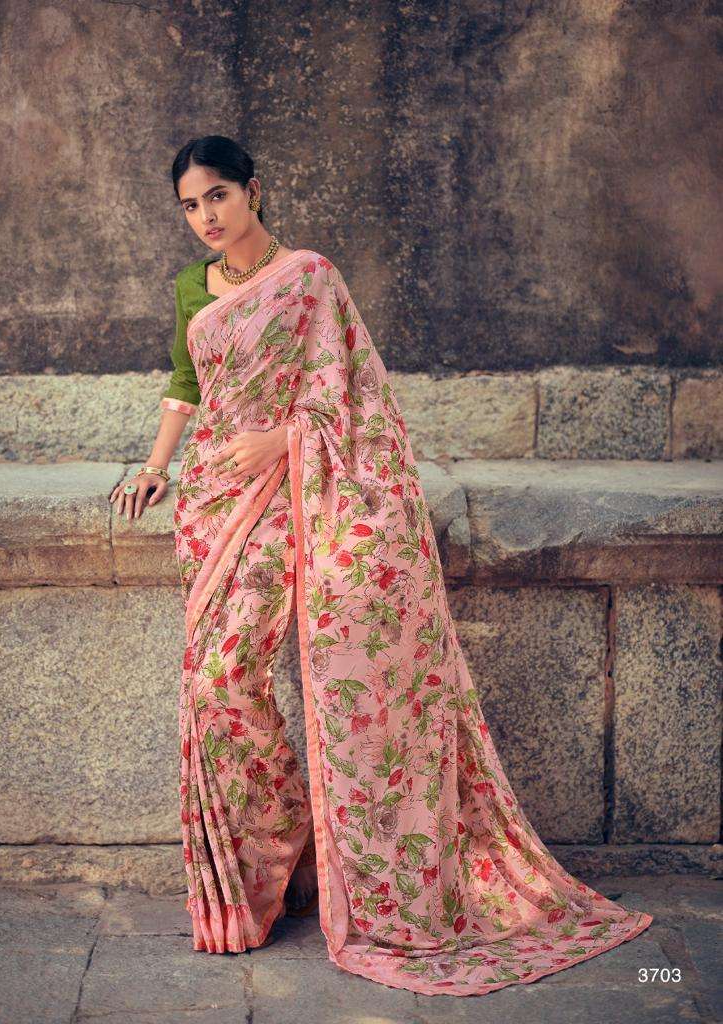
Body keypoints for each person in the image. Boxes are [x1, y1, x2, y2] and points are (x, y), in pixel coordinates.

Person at [108, 135, 653, 996]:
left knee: (286, 669)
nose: (205, 216)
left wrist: (286, 440)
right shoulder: (189, 287)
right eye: (189, 205)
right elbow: (186, 382)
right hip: (215, 500)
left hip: (299, 492)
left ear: (254, 191)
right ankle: (281, 845)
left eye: (217, 196)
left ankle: (339, 856)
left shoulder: (309, 278)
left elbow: (354, 397)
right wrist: (153, 466)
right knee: (218, 685)